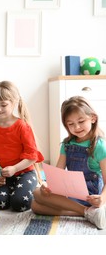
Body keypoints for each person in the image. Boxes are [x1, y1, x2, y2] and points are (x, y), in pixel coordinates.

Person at [32, 96, 106, 229]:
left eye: (81, 121)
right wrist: (48, 186)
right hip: (70, 188)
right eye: (70, 124)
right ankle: (86, 212)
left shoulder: (99, 146)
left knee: (39, 203)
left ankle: (88, 210)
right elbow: (57, 173)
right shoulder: (67, 145)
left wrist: (102, 198)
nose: (76, 127)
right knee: (36, 199)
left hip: (90, 192)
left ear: (93, 118)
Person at [0, 80, 44, 212]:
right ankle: (15, 190)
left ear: (14, 103)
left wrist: (14, 168)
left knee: (20, 204)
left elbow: (32, 156)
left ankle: (32, 189)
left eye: (3, 105)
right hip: (3, 176)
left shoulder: (22, 126)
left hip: (25, 172)